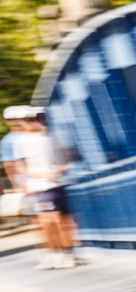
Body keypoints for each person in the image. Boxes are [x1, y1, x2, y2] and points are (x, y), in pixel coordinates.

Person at [18, 108, 79, 269]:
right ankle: (56, 252)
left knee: (64, 219)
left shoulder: (56, 136)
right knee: (50, 220)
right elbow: (22, 167)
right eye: (31, 119)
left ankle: (67, 252)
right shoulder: (23, 141)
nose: (37, 121)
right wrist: (41, 175)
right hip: (40, 186)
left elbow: (73, 156)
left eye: (39, 117)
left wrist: (62, 168)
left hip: (59, 183)